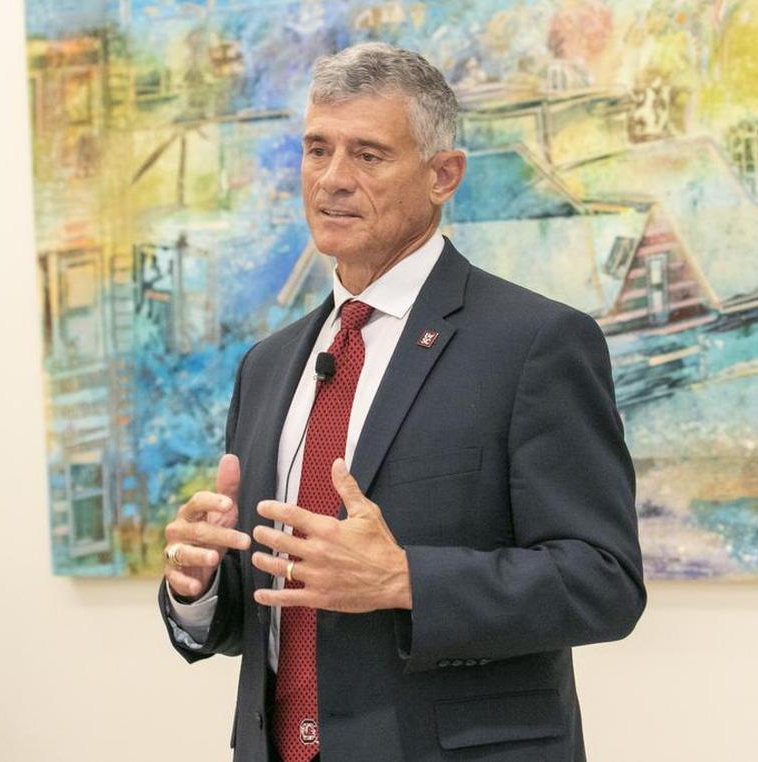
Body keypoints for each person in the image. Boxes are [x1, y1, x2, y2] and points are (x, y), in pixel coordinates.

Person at [157, 42, 645, 762]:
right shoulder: (266, 366)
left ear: (443, 175)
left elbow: (604, 581)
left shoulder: (535, 342)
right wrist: (198, 587)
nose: (332, 180)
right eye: (316, 150)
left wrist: (404, 579)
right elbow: (270, 613)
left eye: (368, 155)